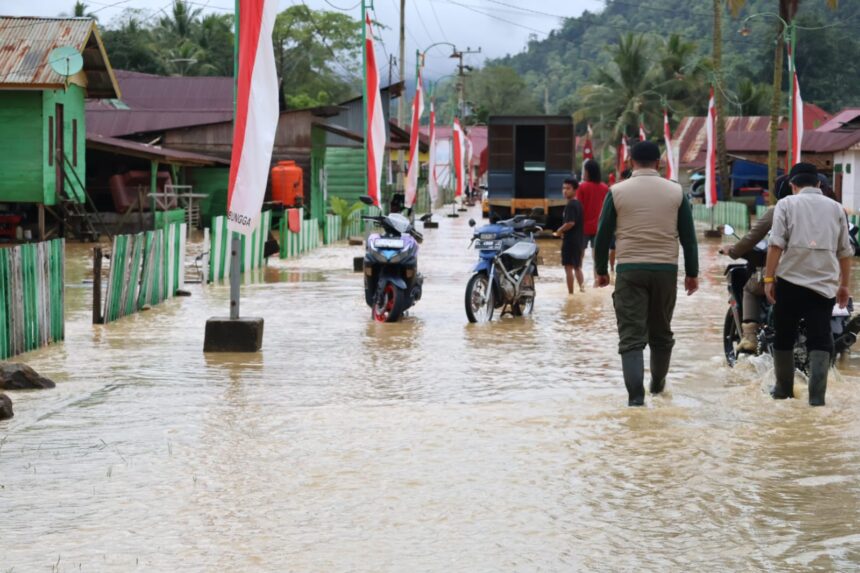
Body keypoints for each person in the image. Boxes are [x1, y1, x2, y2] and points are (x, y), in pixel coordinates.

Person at [593, 141, 699, 406]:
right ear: (659, 163)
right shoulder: (676, 191)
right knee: (661, 333)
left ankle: (636, 401)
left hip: (630, 270)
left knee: (631, 338)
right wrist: (692, 273)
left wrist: (601, 271)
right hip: (665, 270)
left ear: (630, 163)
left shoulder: (616, 191)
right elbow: (689, 238)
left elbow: (603, 235)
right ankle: (657, 387)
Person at [764, 162, 853, 406]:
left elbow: (775, 245)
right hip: (824, 285)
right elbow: (845, 252)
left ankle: (783, 392)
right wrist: (844, 286)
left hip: (790, 281)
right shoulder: (836, 208)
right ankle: (816, 400)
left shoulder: (786, 204)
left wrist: (769, 279)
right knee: (820, 339)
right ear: (818, 185)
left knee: (784, 336)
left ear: (793, 185)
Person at [576, 159, 610, 285]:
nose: (583, 173)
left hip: (583, 228)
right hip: (599, 228)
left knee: (579, 258)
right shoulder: (605, 188)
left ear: (588, 172)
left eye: (584, 170)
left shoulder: (582, 187)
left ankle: (580, 285)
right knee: (598, 258)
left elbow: (578, 208)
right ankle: (597, 283)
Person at [555, 177, 585, 294]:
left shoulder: (571, 205)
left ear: (575, 190)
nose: (565, 191)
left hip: (570, 241)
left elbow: (570, 223)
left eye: (568, 188)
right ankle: (582, 291)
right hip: (578, 241)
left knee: (568, 268)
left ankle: (571, 294)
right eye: (563, 188)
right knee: (577, 267)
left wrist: (559, 230)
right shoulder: (578, 204)